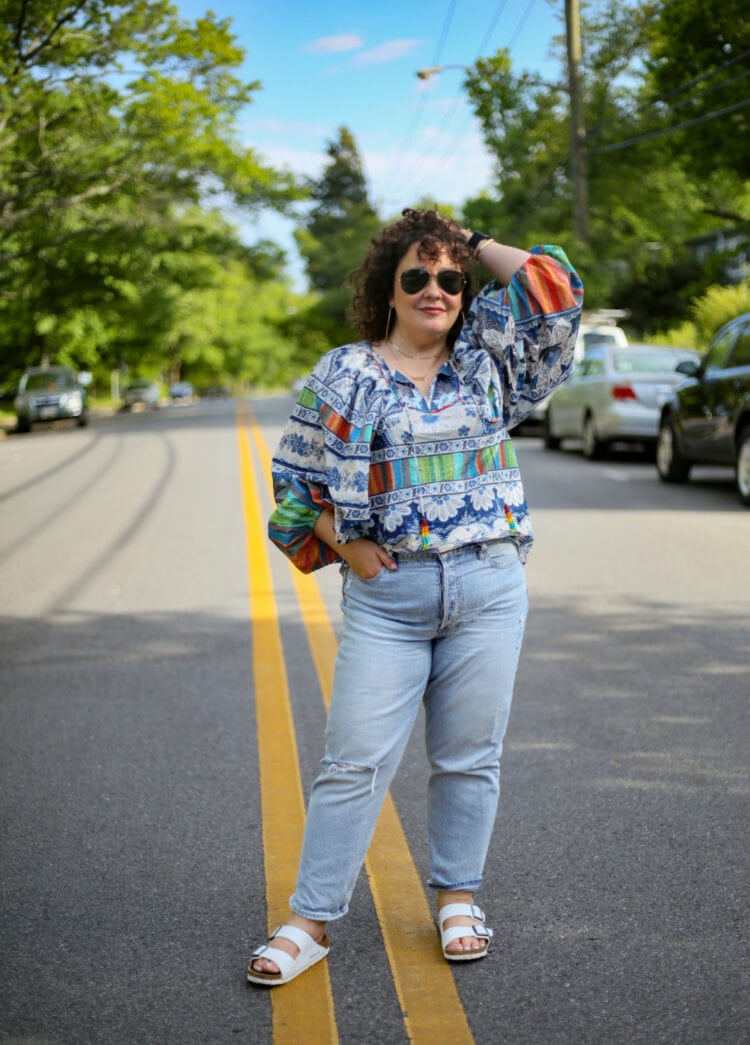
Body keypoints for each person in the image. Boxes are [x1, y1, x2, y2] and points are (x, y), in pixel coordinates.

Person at [247, 208, 583, 987]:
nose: (436, 289)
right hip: (390, 598)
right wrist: (349, 546)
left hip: (489, 586)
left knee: (470, 757)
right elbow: (293, 488)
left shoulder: (489, 362)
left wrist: (469, 240)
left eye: (451, 278)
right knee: (354, 760)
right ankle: (311, 919)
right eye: (418, 276)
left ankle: (458, 897)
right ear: (387, 290)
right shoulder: (344, 373)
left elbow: (554, 291)